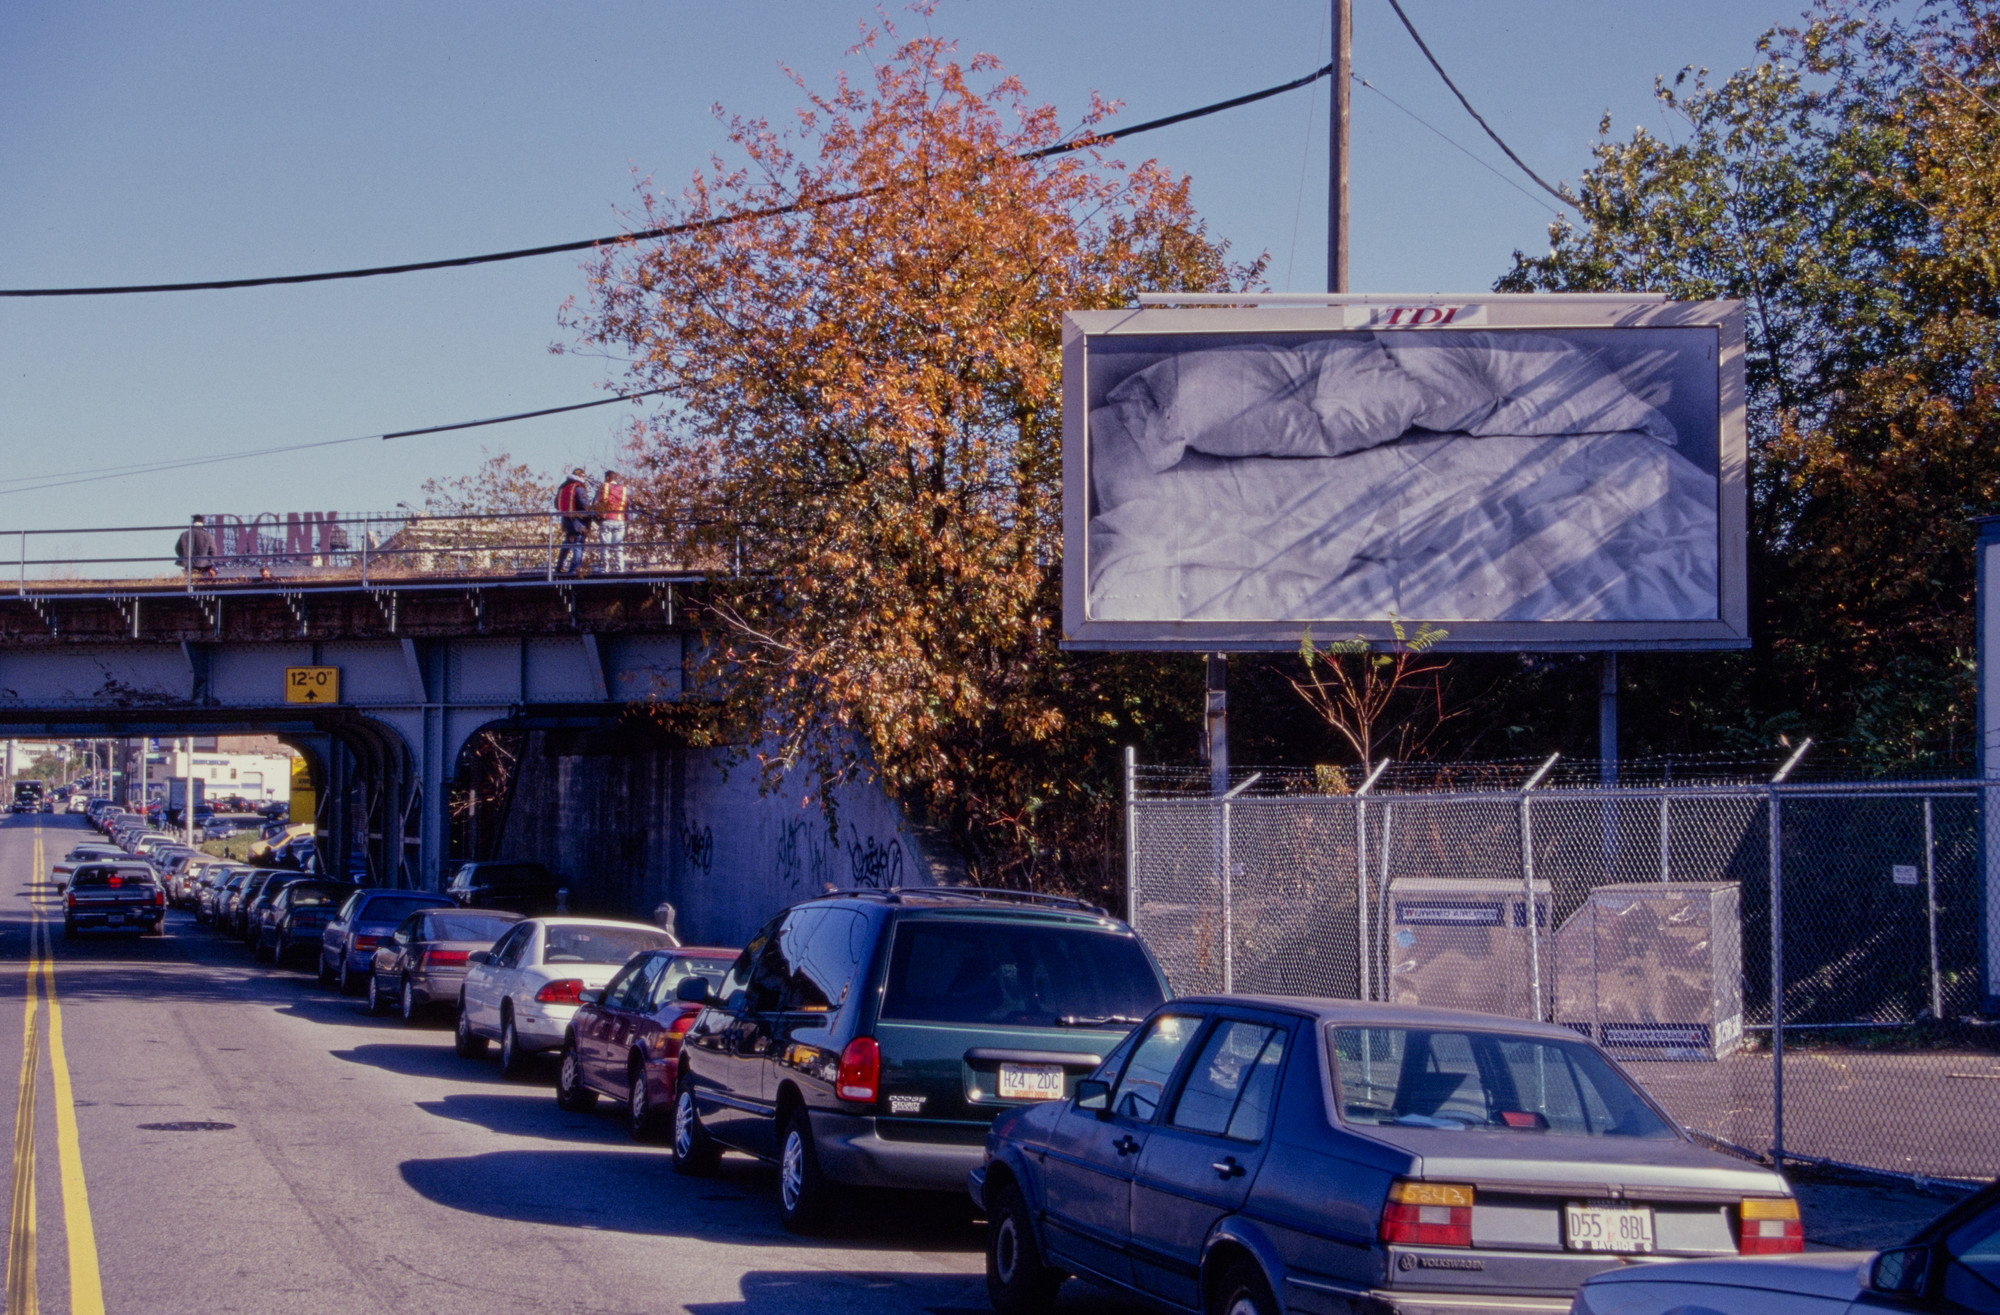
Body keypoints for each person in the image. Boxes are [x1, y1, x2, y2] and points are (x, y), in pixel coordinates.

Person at [553, 467, 595, 577]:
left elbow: (556, 504)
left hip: (566, 520)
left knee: (567, 542)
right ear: (581, 476)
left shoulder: (563, 488)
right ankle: (575, 568)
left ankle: (559, 565)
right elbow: (583, 504)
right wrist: (592, 512)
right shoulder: (578, 488)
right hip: (578, 521)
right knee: (578, 543)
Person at [598, 468, 630, 572]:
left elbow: (596, 503)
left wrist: (597, 518)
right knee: (618, 546)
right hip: (620, 520)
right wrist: (628, 523)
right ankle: (620, 569)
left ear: (607, 478)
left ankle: (604, 568)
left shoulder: (604, 487)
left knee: (605, 546)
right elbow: (627, 506)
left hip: (606, 519)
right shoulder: (624, 489)